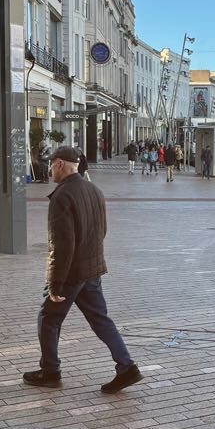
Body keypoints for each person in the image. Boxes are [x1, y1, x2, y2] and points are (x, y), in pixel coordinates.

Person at [23, 146, 142, 393]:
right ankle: (127, 367)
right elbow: (102, 231)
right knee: (100, 319)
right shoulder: (94, 190)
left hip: (72, 273)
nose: (49, 169)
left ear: (60, 165)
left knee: (48, 319)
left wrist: (55, 284)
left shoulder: (62, 196)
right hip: (92, 269)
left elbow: (62, 245)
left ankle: (50, 371)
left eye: (51, 163)